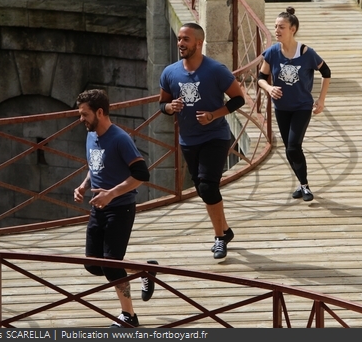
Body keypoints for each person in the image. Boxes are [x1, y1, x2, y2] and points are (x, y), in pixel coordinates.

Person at [159, 23, 245, 260]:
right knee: (202, 188)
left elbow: (239, 99)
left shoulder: (216, 70)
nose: (180, 44)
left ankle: (219, 238)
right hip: (188, 139)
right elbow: (162, 104)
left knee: (207, 186)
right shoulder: (170, 72)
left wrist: (213, 115)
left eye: (186, 39)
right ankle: (225, 231)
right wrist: (170, 107)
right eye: (179, 39)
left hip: (215, 136)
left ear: (199, 42)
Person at [73, 89, 157, 328]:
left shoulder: (120, 138)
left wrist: (111, 194)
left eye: (84, 114)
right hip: (98, 208)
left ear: (100, 112)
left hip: (120, 208)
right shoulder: (91, 135)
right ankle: (144, 271)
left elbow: (141, 173)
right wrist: (83, 185)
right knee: (93, 264)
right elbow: (95, 165)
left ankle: (129, 316)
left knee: (110, 265)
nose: (81, 120)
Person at [257, 7, 331, 201]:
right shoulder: (272, 52)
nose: (277, 30)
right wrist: (269, 88)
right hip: (281, 108)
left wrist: (321, 100)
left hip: (302, 107)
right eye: (275, 27)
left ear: (293, 29)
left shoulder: (307, 53)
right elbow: (260, 77)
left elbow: (326, 73)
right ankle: (302, 184)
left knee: (292, 147)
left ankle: (305, 186)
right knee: (291, 148)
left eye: (281, 27)